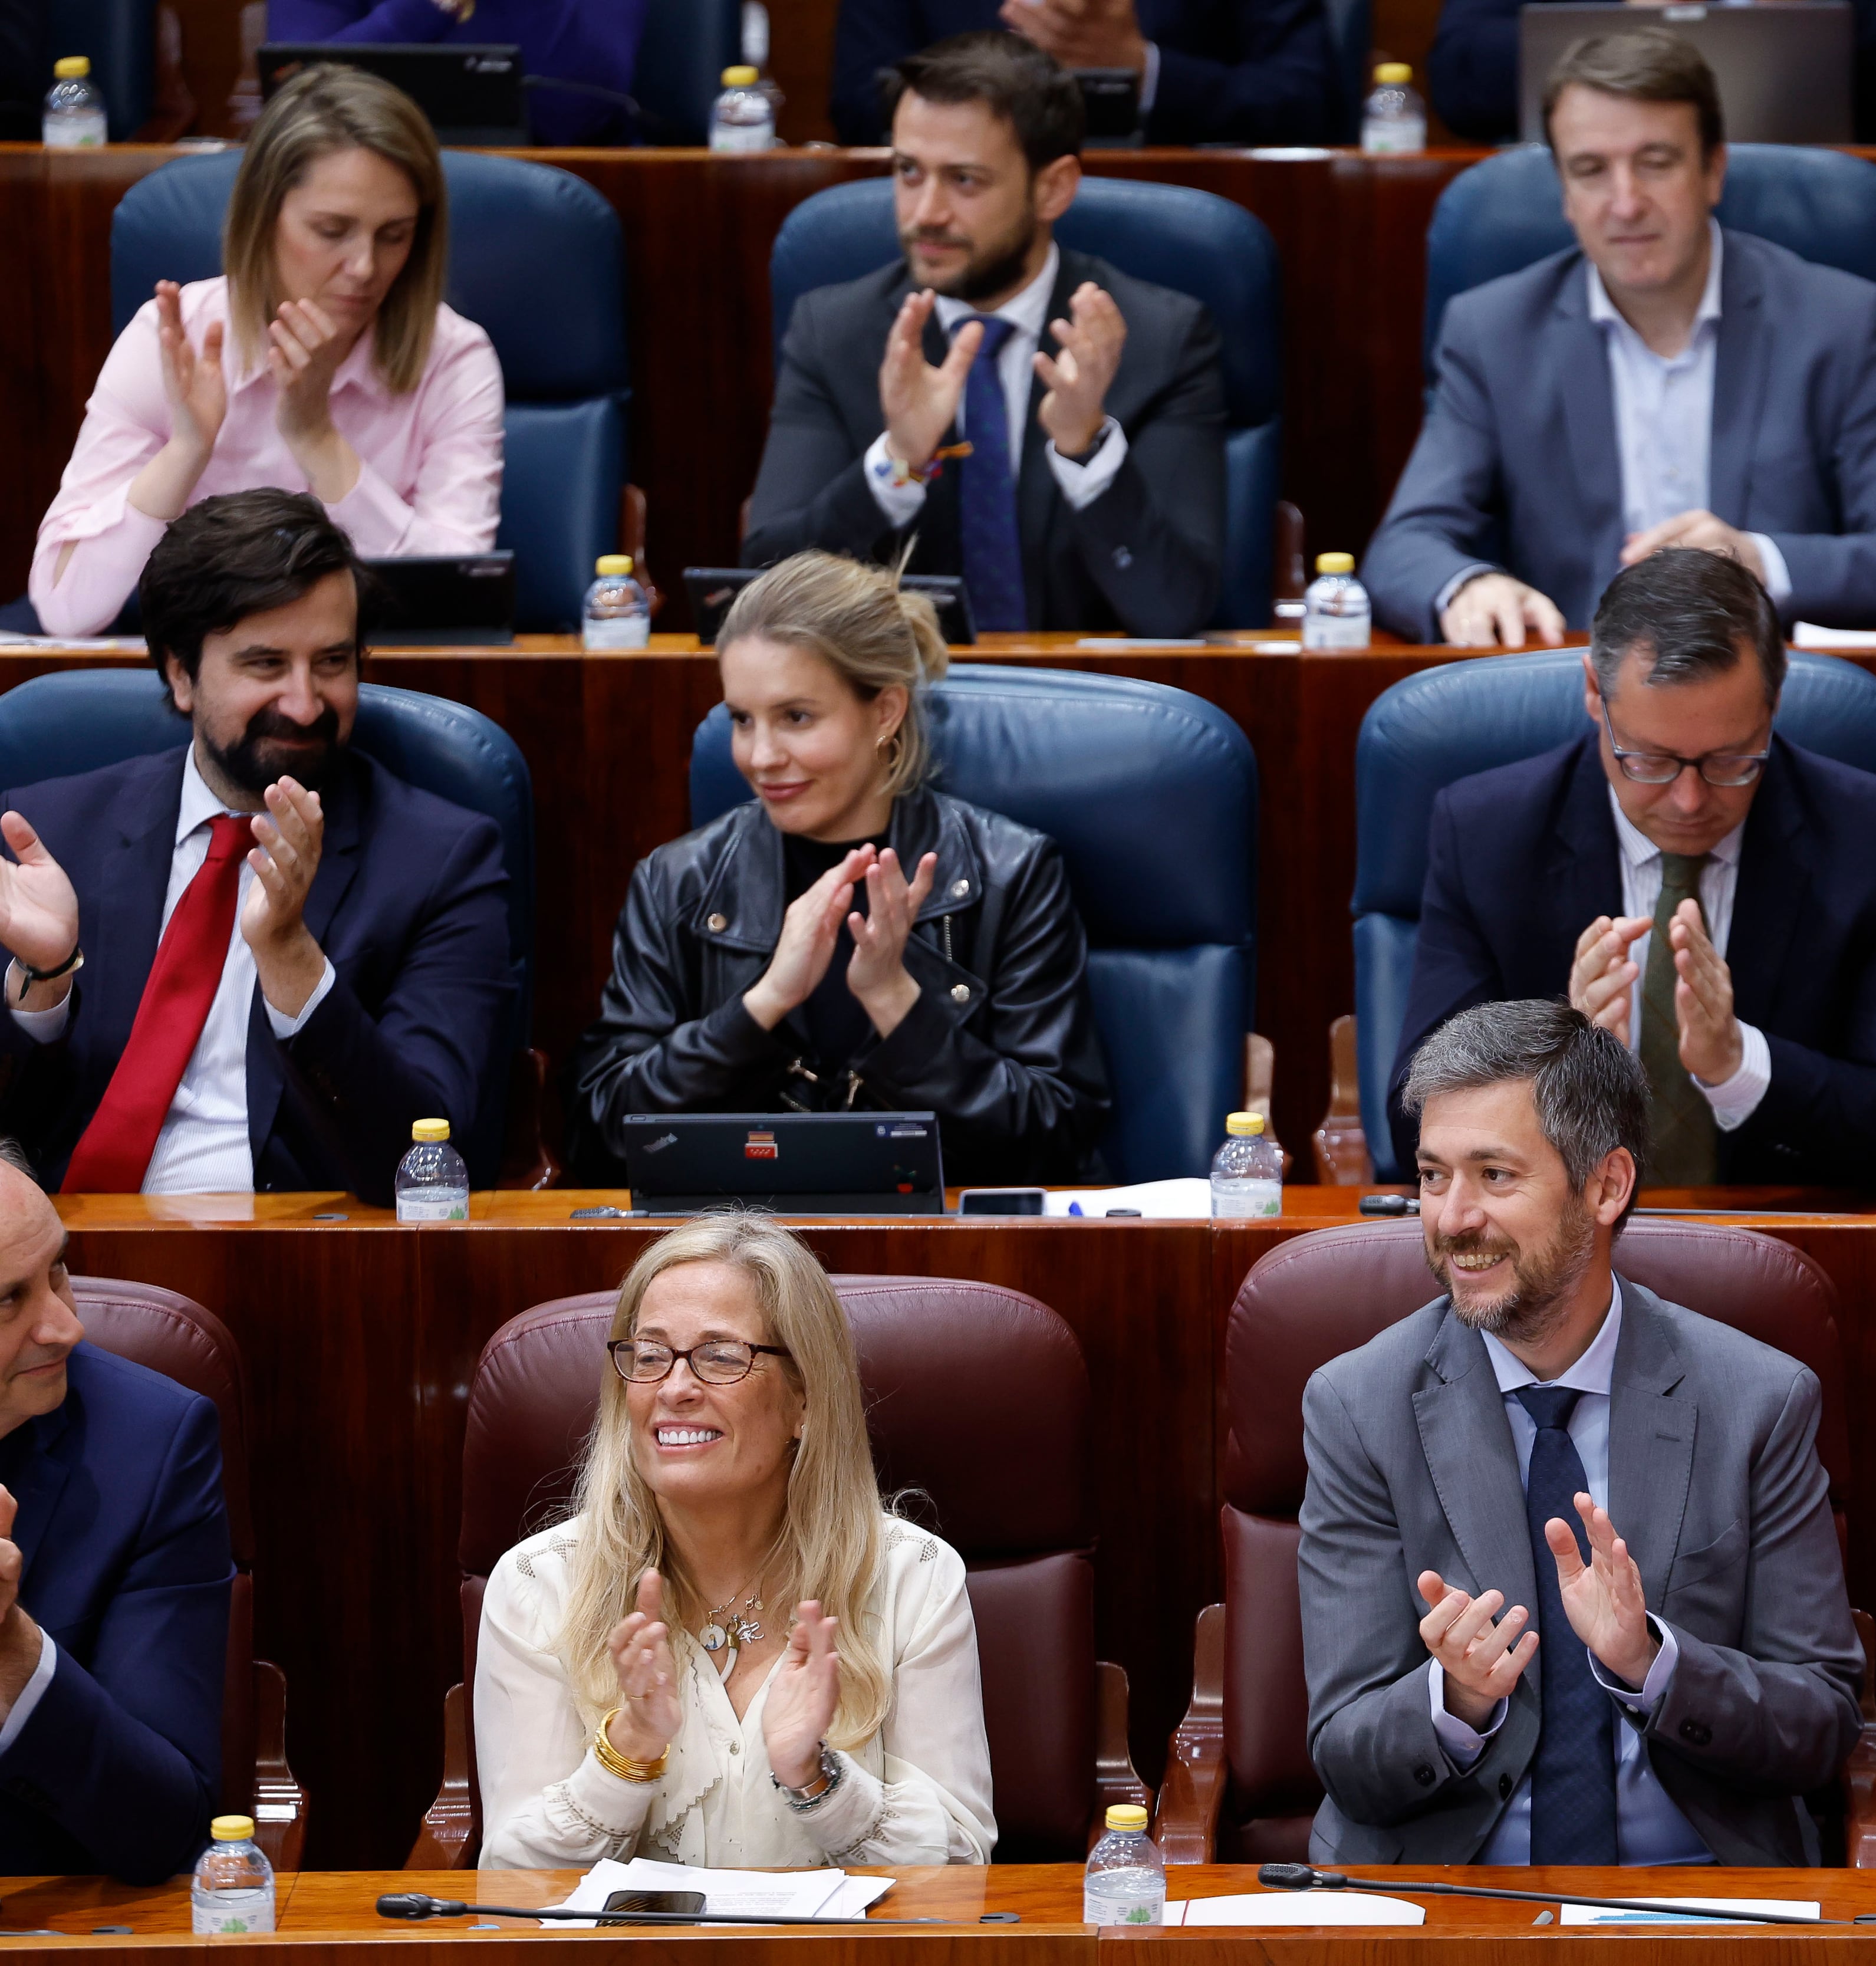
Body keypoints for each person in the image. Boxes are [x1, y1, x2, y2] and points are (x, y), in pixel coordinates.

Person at [1299, 998, 1863, 1865]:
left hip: (1691, 1901)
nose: (1452, 1219)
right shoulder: (1358, 1405)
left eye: (1494, 1175)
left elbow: (1821, 1724)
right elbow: (1345, 1752)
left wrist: (1653, 1662)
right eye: (1432, 1175)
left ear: (1606, 1186)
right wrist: (1453, 1699)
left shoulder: (1756, 1399)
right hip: (1453, 1909)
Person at [1362, 31, 1876, 647]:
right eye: (1590, 170)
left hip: (1776, 702)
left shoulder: (1839, 321)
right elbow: (1403, 546)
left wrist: (1759, 561)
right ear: (1564, 193)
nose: (1625, 204)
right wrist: (1467, 584)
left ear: (1712, 171)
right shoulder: (1493, 331)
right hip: (1572, 692)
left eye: (1655, 163)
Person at [1390, 548, 1876, 1192]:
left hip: (1782, 1237)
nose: (1689, 800)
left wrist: (1739, 1065)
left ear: (1772, 705)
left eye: (1730, 760)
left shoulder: (1870, 838)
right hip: (1554, 1258)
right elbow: (1409, 1119)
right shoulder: (1487, 834)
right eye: (1650, 760)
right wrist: (1561, 1072)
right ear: (1594, 695)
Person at [0, 491, 512, 1195]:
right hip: (64, 1260)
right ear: (181, 674)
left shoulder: (441, 860)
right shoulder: (48, 833)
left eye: (331, 662)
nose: (304, 704)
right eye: (266, 665)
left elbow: (426, 1170)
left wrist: (291, 960)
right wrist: (45, 983)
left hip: (292, 1265)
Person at [577, 550, 1113, 1184]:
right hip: (737, 1247)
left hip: (941, 1255)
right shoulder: (678, 881)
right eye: (742, 721)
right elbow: (605, 1132)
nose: (761, 755)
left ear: (884, 713)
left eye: (796, 717)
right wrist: (760, 1005)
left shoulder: (1009, 872)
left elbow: (1059, 1135)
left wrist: (897, 1003)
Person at [475, 1214, 996, 1867]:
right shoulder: (537, 1584)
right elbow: (511, 1879)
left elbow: (962, 1868)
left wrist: (814, 1776)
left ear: (804, 1399)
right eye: (650, 1355)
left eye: (722, 1356)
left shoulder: (911, 1577)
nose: (674, 1389)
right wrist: (628, 1749)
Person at [745, 32, 1227, 639]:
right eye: (908, 172)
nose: (926, 212)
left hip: (1092, 711)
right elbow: (765, 598)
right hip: (895, 710)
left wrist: (1085, 448)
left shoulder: (1157, 339)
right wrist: (896, 464)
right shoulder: (834, 331)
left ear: (1053, 188)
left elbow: (1174, 610)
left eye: (965, 181)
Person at [29, 64, 503, 639]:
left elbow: (451, 612)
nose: (364, 268)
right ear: (263, 217)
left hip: (377, 687)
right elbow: (65, 610)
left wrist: (316, 438)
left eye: (394, 235)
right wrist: (185, 451)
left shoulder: (454, 359)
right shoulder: (174, 337)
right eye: (332, 230)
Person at [0, 1148, 234, 1882]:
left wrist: (12, 1655)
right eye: (8, 1300)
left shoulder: (147, 1445)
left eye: (58, 1271)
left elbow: (167, 1829)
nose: (65, 1327)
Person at [1425, 0, 1876, 144]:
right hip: (1594, 205)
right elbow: (1459, 80)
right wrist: (1626, 23)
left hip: (1812, 196)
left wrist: (1808, 18)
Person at [831, 0, 1333, 147]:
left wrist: (1144, 71)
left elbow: (1306, 102)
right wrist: (994, 91)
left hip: (1188, 215)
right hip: (961, 224)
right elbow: (857, 102)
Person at [264, 0, 652, 145]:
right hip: (357, 171)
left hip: (547, 179)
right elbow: (296, 90)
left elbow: (581, 113)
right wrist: (422, 11)